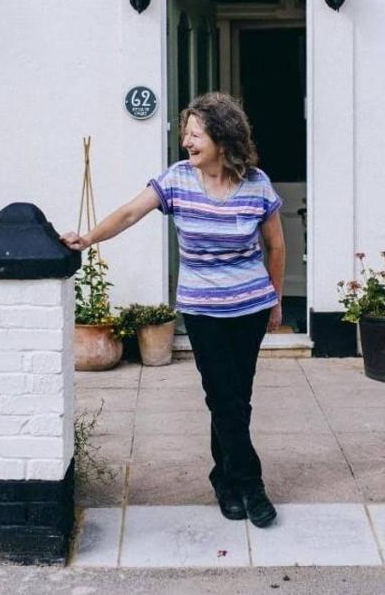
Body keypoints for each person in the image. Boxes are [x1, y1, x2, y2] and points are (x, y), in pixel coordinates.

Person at [60, 92, 286, 528]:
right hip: (204, 312)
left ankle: (225, 481)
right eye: (186, 134)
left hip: (250, 308)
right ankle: (252, 485)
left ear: (222, 137)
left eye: (195, 133)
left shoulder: (257, 183)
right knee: (222, 396)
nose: (187, 141)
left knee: (238, 399)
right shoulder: (177, 180)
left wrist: (275, 299)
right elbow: (128, 214)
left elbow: (276, 245)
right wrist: (88, 238)